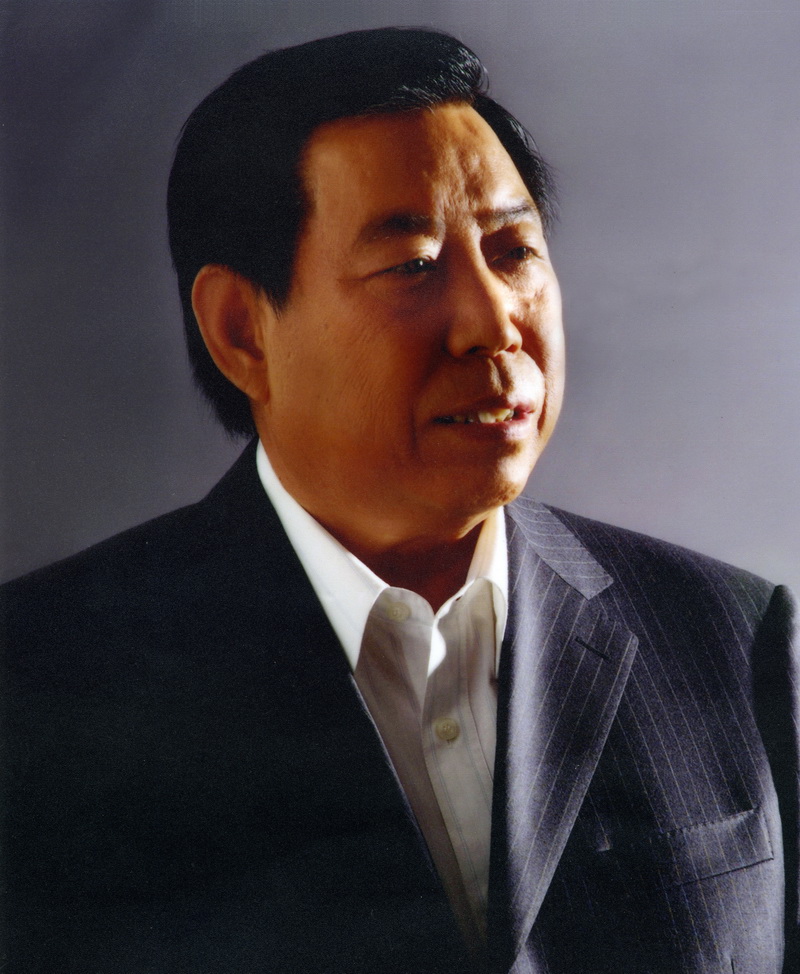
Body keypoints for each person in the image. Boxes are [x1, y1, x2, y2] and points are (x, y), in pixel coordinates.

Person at [1, 27, 797, 974]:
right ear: (241, 330)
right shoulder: (43, 683)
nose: (492, 322)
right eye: (414, 265)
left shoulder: (727, 634)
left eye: (514, 250)